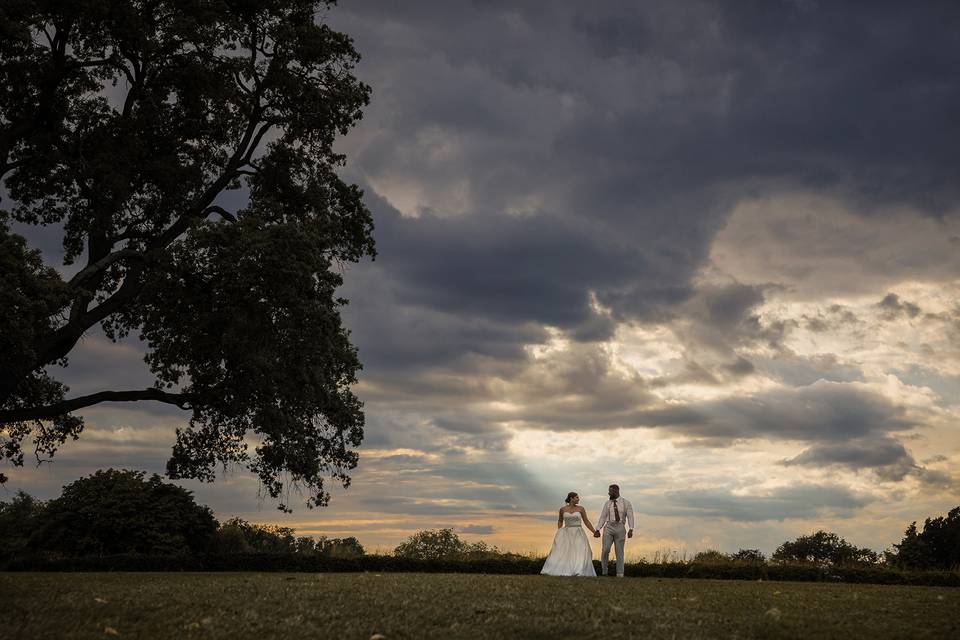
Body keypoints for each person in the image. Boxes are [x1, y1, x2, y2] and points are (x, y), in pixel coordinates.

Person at [540, 491, 598, 576]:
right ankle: (565, 569)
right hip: (566, 532)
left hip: (578, 532)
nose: (579, 499)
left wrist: (594, 531)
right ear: (571, 498)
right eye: (577, 497)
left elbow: (586, 521)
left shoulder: (581, 509)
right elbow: (560, 521)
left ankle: (579, 570)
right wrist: (559, 531)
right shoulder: (563, 509)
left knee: (580, 550)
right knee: (565, 552)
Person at [593, 484, 634, 577]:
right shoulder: (607, 503)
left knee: (619, 551)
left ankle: (620, 574)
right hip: (609, 527)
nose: (608, 493)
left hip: (620, 527)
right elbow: (603, 517)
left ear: (616, 491)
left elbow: (630, 516)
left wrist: (631, 529)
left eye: (610, 491)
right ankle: (604, 572)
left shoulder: (626, 503)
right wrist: (597, 529)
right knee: (605, 549)